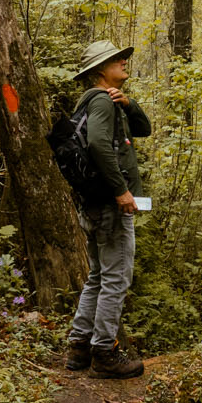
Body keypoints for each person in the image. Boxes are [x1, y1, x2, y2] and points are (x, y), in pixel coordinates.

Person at [64, 40, 151, 379]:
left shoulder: (104, 102)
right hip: (110, 204)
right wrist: (121, 191)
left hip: (93, 203)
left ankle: (79, 347)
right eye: (117, 59)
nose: (124, 62)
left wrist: (128, 104)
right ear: (101, 70)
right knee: (116, 278)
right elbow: (100, 145)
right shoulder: (100, 102)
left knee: (98, 276)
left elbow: (143, 128)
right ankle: (104, 351)